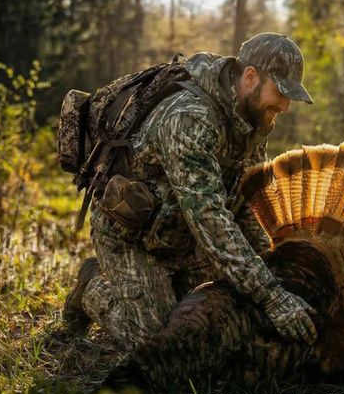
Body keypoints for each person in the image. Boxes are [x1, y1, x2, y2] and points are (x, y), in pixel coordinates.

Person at [62, 33, 318, 352]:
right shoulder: (189, 118)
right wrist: (272, 296)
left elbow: (246, 201)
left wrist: (274, 267)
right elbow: (210, 218)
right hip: (131, 239)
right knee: (159, 346)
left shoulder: (253, 121)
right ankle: (91, 286)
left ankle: (168, 287)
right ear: (251, 77)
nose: (285, 105)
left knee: (218, 319)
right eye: (280, 92)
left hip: (183, 239)